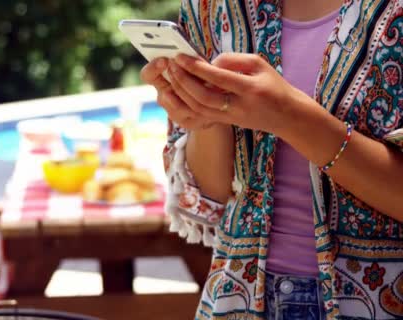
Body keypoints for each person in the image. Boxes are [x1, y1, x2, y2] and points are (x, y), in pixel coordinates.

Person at [141, 0, 403, 319]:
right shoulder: (214, 7)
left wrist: (289, 117)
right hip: (237, 300)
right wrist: (206, 115)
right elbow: (208, 196)